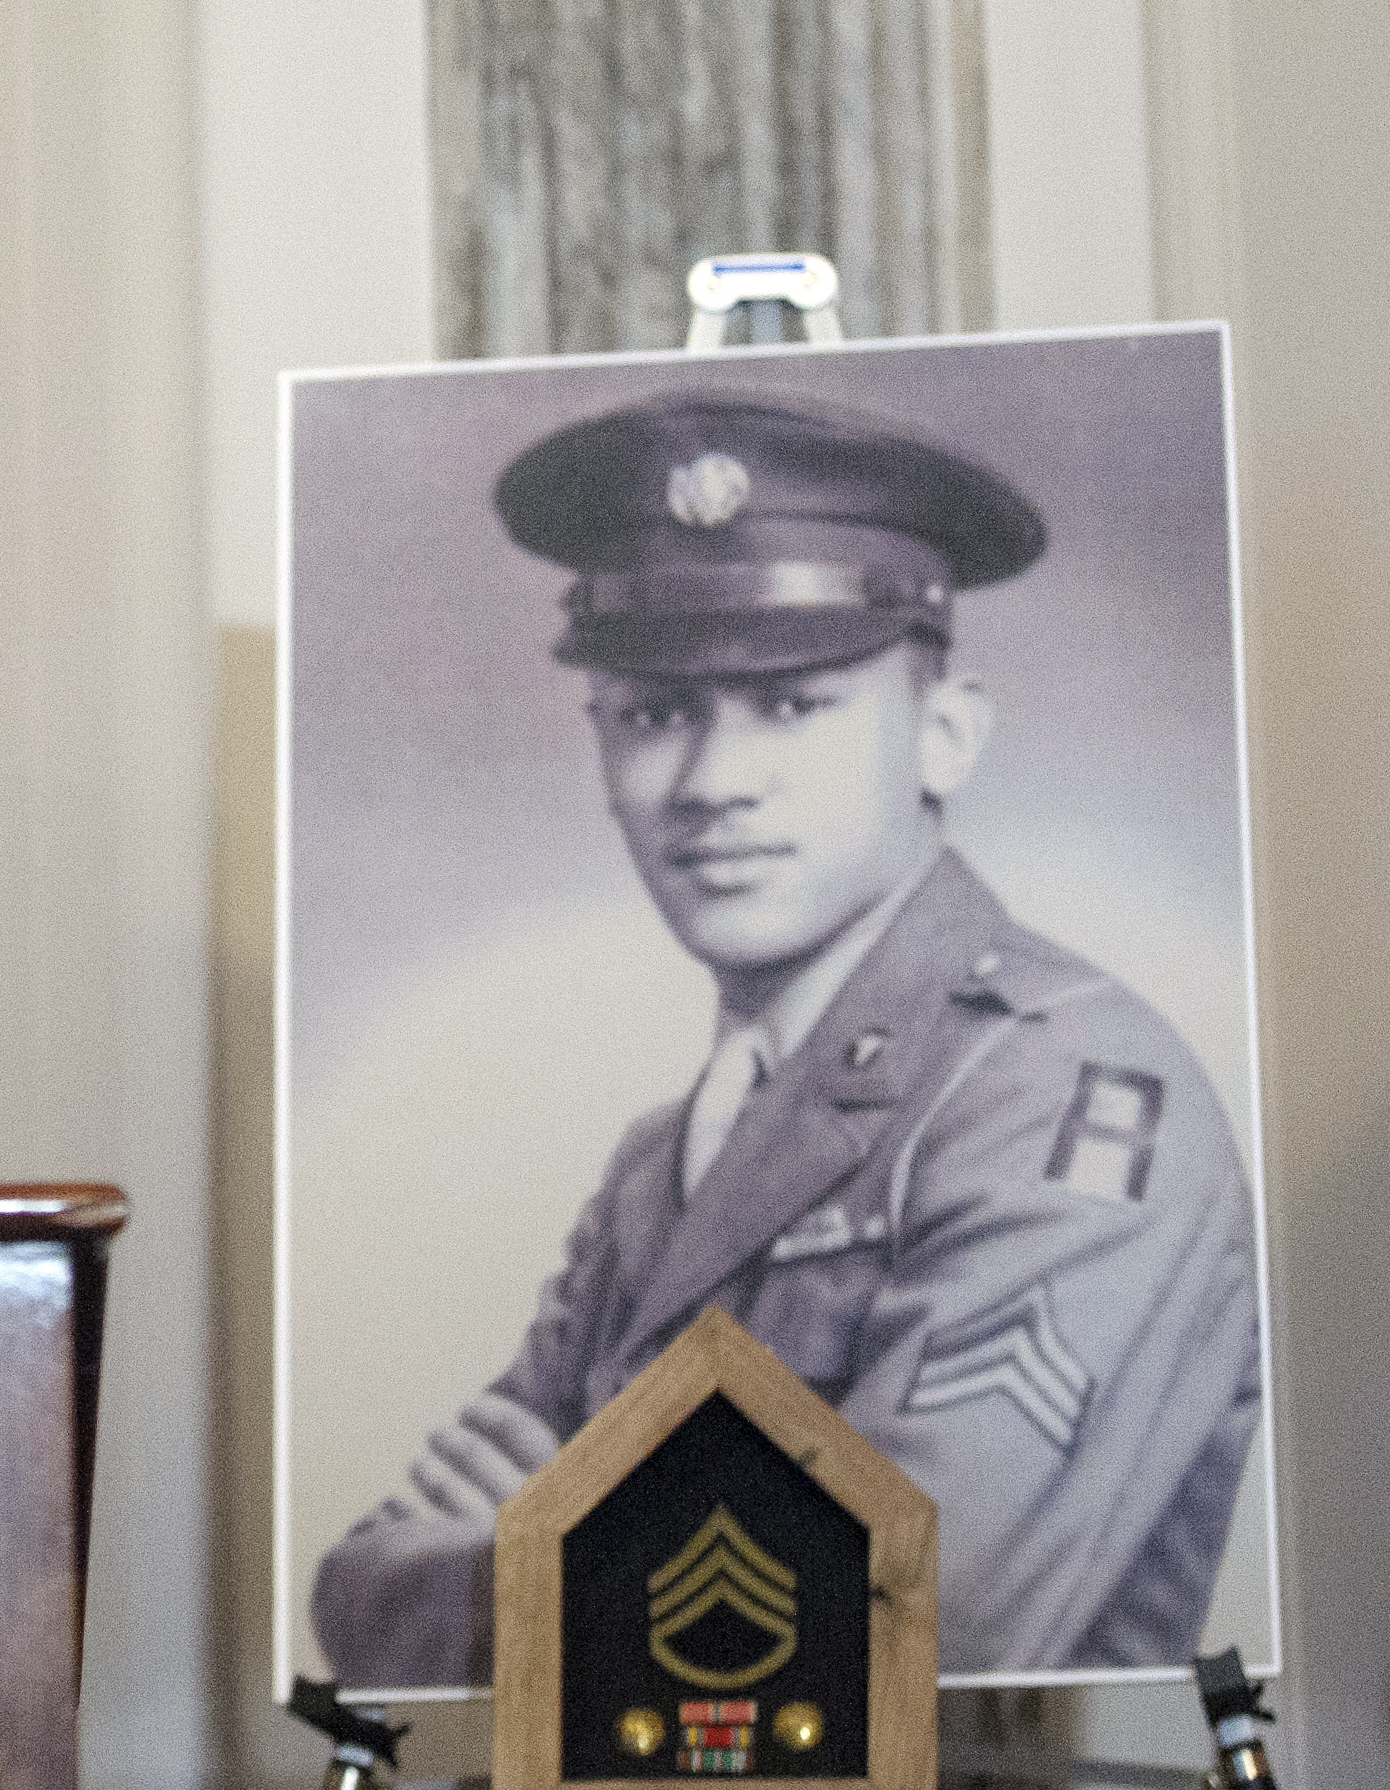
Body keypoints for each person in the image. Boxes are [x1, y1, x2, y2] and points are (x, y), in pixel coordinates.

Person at [311, 392, 1260, 1683]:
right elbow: (357, 1596)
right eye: (654, 712)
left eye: (793, 704)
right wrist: (596, 1558)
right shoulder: (664, 1160)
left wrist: (528, 1538)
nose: (710, 782)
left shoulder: (1066, 1096)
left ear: (945, 731)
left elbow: (917, 1619)